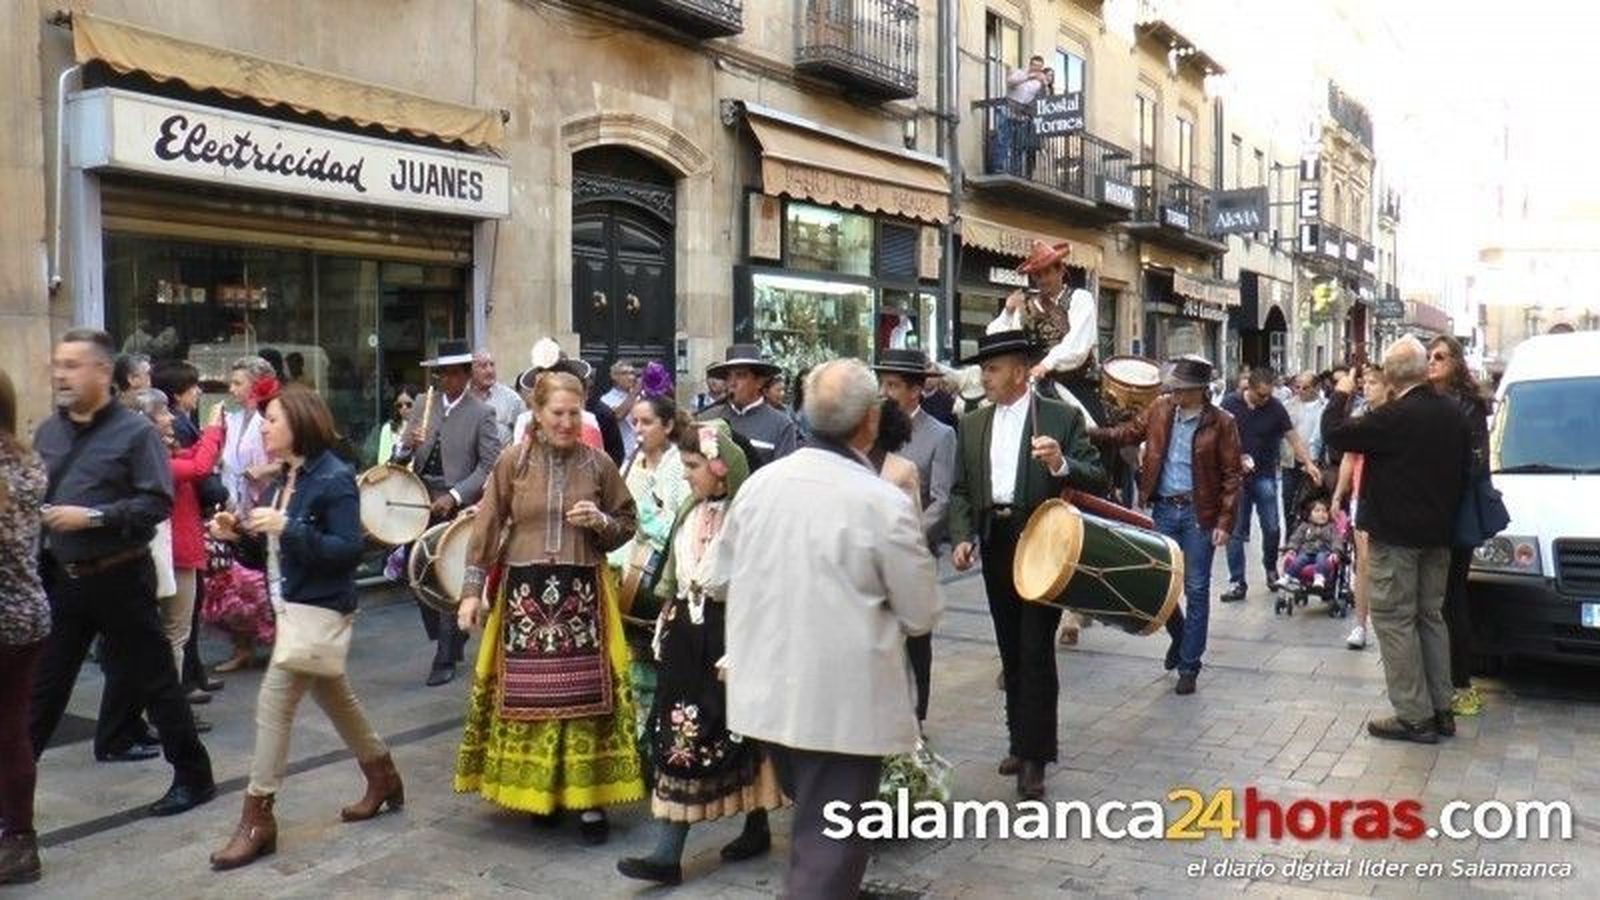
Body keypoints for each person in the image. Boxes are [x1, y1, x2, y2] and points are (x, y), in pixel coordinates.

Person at [718, 359, 941, 900]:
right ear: (870, 421)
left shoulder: (760, 486)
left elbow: (720, 577)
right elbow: (920, 612)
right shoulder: (881, 501)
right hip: (841, 707)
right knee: (830, 844)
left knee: (819, 829)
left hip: (768, 696)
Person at [206, 385, 402, 869]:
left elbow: (348, 551)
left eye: (273, 420)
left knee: (273, 706)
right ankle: (383, 776)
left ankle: (258, 818)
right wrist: (241, 533)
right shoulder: (286, 476)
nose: (264, 429)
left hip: (317, 611)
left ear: (299, 422)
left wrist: (287, 527)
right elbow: (278, 551)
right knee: (337, 699)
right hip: (292, 611)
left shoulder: (333, 477)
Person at [30, 328, 215, 817]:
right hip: (65, 578)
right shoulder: (48, 432)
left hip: (121, 575)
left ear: (101, 371)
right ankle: (12, 791)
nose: (61, 374)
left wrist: (92, 517)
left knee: (156, 682)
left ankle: (193, 777)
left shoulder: (135, 433)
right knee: (45, 687)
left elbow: (156, 502)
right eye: (58, 364)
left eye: (72, 365)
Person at [454, 370, 642, 845]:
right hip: (524, 596)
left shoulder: (599, 463)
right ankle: (540, 794)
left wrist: (600, 521)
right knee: (529, 701)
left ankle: (590, 801)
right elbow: (487, 525)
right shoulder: (512, 463)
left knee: (587, 700)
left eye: (574, 413)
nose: (566, 422)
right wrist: (472, 591)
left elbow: (627, 522)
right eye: (557, 413)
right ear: (536, 413)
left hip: (584, 596)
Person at [616, 420, 783, 887]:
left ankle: (754, 825)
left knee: (742, 731)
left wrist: (748, 644)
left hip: (730, 634)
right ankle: (668, 854)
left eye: (692, 465)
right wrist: (665, 619)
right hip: (687, 637)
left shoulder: (749, 518)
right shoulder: (689, 509)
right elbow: (672, 574)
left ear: (721, 468)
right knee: (683, 732)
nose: (686, 474)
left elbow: (764, 586)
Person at [948, 331, 1105, 797]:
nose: (984, 378)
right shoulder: (973, 423)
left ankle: (1036, 757)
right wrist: (963, 535)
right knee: (1010, 648)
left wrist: (1060, 464)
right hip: (996, 540)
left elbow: (1096, 475)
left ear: (1019, 372)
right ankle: (1019, 740)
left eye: (992, 369)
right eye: (983, 369)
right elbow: (961, 489)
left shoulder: (1059, 416)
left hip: (1041, 540)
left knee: (1036, 649)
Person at [1325, 337, 1469, 744]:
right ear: (1423, 369)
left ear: (1390, 375)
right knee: (1430, 617)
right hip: (1438, 535)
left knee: (1394, 620)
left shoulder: (1393, 416)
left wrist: (1341, 393)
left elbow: (1335, 433)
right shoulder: (1452, 412)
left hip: (1396, 538)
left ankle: (1413, 715)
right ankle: (1441, 709)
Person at [1091, 355, 1242, 695]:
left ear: (1201, 390)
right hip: (1164, 508)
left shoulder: (1222, 422)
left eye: (1182, 389)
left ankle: (1189, 665)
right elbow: (1127, 433)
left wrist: (1225, 521)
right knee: (1160, 583)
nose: (1175, 394)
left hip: (1199, 513)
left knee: (1197, 588)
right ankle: (1180, 634)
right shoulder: (1160, 408)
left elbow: (1233, 475)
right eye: (1174, 388)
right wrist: (1088, 432)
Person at [391, 339, 501, 686]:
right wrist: (406, 446)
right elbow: (400, 457)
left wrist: (455, 496)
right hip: (420, 498)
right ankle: (450, 638)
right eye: (442, 374)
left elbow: (489, 465)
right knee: (417, 573)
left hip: (455, 503)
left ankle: (445, 655)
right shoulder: (424, 404)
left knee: (448, 576)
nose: (446, 380)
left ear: (466, 376)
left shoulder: (482, 413)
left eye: (453, 374)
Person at [606, 394, 693, 766]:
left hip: (656, 583)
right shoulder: (631, 462)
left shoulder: (679, 467)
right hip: (624, 578)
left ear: (668, 426)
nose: (638, 430)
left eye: (647, 422)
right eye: (635, 423)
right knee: (625, 667)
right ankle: (630, 746)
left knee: (652, 667)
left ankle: (652, 748)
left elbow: (680, 523)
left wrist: (643, 520)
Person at [874, 348, 957, 722]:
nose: (885, 392)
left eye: (893, 385)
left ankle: (917, 714)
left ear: (915, 390)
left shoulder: (940, 434)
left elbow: (941, 499)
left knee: (916, 636)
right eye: (882, 384)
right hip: (872, 551)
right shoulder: (870, 429)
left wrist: (907, 538)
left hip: (914, 550)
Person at [0, 367, 50, 885]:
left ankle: (17, 840)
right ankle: (18, 837)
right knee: (11, 729)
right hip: (28, 612)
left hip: (5, 617)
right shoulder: (25, 460)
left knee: (10, 731)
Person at [1428, 335, 1491, 718]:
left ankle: (1461, 682)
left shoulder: (1467, 406)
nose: (1431, 362)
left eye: (1439, 356)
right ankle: (1439, 679)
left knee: (1452, 596)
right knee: (1434, 599)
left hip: (1454, 513)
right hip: (1431, 512)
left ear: (1455, 362)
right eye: (1429, 356)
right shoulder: (1427, 400)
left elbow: (1475, 464)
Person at [1220, 368, 1321, 602]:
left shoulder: (1275, 408)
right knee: (1235, 531)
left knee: (1272, 526)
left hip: (1264, 474)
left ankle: (1270, 568)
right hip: (1235, 477)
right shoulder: (1230, 404)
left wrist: (1308, 463)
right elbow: (1217, 437)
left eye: (1268, 395)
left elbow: (1293, 438)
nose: (1265, 399)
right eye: (1260, 395)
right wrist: (1233, 459)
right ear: (1249, 388)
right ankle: (1237, 581)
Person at [152, 361, 222, 700]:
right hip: (178, 552)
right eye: (162, 414)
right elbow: (198, 466)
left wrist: (210, 434)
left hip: (178, 550)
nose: (170, 420)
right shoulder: (159, 462)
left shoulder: (163, 456)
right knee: (176, 634)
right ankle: (173, 707)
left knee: (175, 633)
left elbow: (194, 457)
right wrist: (214, 430)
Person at [208, 355, 278, 673]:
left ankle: (280, 642)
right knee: (236, 580)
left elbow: (292, 459)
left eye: (238, 383)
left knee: (266, 576)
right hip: (237, 507)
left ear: (257, 384)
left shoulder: (272, 417)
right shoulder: (232, 419)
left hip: (269, 506)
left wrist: (264, 470)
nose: (232, 389)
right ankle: (242, 646)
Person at [988, 241, 1102, 429]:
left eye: (1047, 272)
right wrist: (1007, 311)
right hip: (1034, 384)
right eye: (1037, 275)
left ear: (1060, 270)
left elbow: (1078, 345)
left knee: (1093, 429)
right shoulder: (1026, 307)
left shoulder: (1080, 299)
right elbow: (997, 339)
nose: (1042, 280)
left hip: (1074, 382)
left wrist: (1046, 365)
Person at [1329, 363, 1392, 650]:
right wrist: (1338, 494)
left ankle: (1384, 620)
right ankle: (1360, 623)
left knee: (1384, 562)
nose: (1366, 388)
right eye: (1364, 383)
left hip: (1387, 497)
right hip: (1361, 496)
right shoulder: (1360, 417)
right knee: (1363, 562)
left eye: (1373, 383)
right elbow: (1349, 458)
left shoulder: (1395, 418)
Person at [697, 344, 799, 466]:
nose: (732, 383)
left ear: (759, 382)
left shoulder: (781, 425)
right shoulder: (708, 419)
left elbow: (783, 473)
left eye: (740, 375)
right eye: (728, 376)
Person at [1280, 371, 1327, 531]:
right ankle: (1290, 536)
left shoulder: (1325, 407)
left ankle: (1311, 536)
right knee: (1288, 501)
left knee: (1312, 502)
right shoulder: (1287, 406)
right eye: (1297, 387)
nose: (1300, 391)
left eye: (1305, 388)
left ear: (1317, 387)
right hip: (1291, 462)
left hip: (1316, 462)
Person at [993, 54, 1048, 175]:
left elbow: (1044, 99)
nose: (1037, 69)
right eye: (1035, 66)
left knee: (1018, 145)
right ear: (1030, 65)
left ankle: (1015, 171)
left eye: (1039, 67)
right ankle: (998, 167)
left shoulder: (1038, 83)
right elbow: (1010, 82)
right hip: (1007, 110)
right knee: (1003, 139)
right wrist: (1029, 77)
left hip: (1022, 115)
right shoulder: (1020, 73)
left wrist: (1044, 84)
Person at [1279, 498, 1340, 589]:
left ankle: (1319, 577)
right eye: (1317, 511)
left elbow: (1336, 540)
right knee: (1299, 559)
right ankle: (1288, 576)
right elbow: (1296, 539)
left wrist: (1336, 552)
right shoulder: (1305, 526)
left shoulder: (1331, 528)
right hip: (1307, 551)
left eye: (1324, 511)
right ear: (1310, 515)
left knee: (1321, 558)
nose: (1321, 514)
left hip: (1324, 552)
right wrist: (1292, 548)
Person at [471, 350, 526, 449]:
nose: (490, 371)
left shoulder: (511, 399)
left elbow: (524, 435)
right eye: (483, 366)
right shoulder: (464, 398)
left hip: (502, 456)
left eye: (492, 365)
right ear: (471, 371)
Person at [365, 384, 415, 467]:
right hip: (395, 472)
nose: (404, 408)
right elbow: (382, 460)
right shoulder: (388, 428)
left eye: (408, 405)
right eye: (399, 405)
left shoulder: (423, 427)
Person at [601, 360, 642, 458]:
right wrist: (635, 392)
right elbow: (618, 415)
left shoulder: (639, 396)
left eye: (632, 373)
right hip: (622, 453)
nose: (631, 377)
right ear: (614, 376)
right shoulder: (606, 399)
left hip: (640, 451)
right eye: (624, 373)